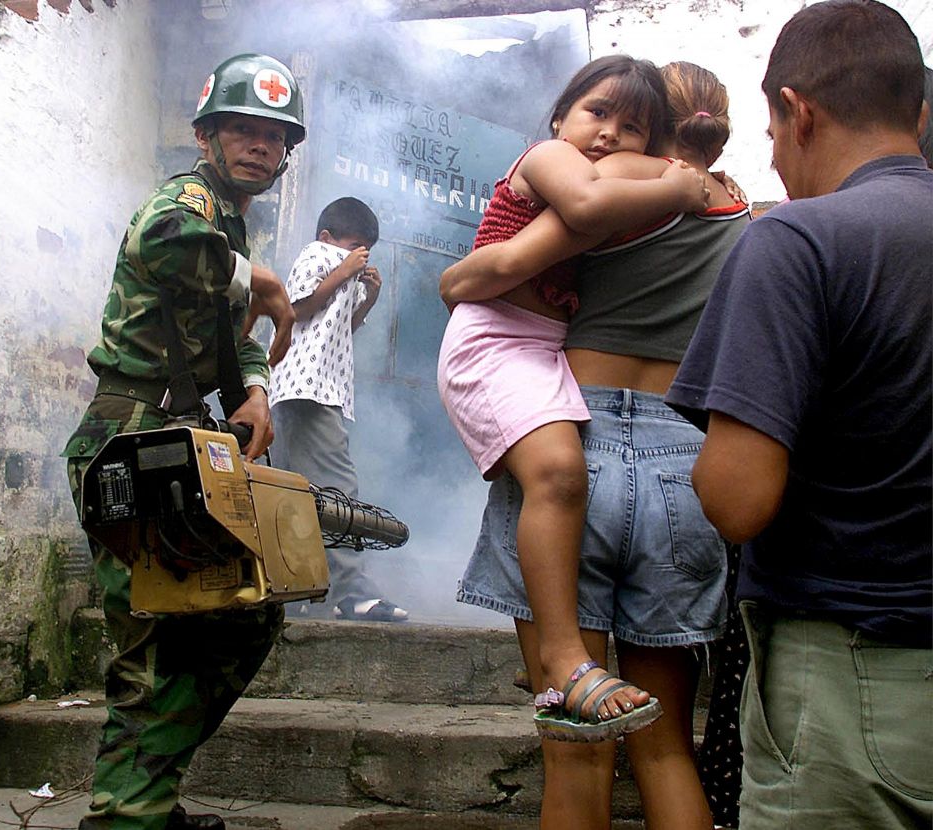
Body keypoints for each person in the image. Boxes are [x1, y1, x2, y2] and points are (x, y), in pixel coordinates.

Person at [443, 59, 749, 828]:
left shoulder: (607, 199)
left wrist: (453, 281)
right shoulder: (741, 215)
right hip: (685, 467)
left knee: (577, 748)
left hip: (575, 440)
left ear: (652, 130)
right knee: (668, 745)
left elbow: (498, 270)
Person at [665, 3, 932, 828]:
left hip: (854, 688)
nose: (774, 159)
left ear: (798, 111)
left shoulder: (797, 243)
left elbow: (740, 499)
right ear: (917, 113)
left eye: (773, 134)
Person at [62, 53, 303, 830]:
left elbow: (231, 334)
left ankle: (144, 795)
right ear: (205, 135)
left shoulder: (231, 222)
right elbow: (159, 238)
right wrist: (256, 278)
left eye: (276, 136)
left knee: (239, 615)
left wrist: (257, 385)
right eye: (244, 129)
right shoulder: (188, 199)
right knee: (159, 648)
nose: (261, 147)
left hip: (173, 442)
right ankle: (127, 814)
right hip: (130, 439)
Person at [266, 197, 408, 622]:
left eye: (367, 249)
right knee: (337, 488)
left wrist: (369, 298)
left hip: (313, 390)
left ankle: (295, 590)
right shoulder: (317, 254)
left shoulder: (342, 268)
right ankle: (351, 591)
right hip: (307, 390)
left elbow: (341, 326)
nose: (361, 255)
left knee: (295, 492)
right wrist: (343, 270)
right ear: (327, 238)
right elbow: (294, 310)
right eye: (354, 245)